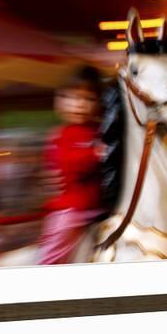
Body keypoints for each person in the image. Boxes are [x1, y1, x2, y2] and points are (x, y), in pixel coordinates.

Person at [37, 65, 107, 264]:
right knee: (59, 239)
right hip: (72, 210)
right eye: (73, 97)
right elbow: (70, 164)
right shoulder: (63, 135)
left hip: (100, 208)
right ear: (60, 102)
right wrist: (96, 153)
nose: (80, 105)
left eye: (89, 99)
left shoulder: (99, 130)